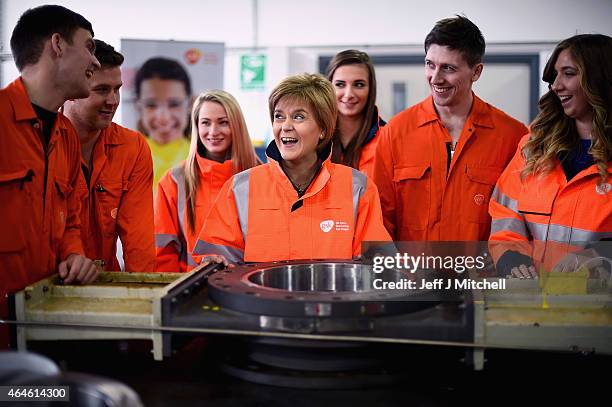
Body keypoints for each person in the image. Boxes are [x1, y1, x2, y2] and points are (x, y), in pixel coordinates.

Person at [193, 74, 391, 264]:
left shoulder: (357, 188)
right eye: (279, 117)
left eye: (298, 117)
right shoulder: (239, 188)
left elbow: (377, 264)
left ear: (323, 129)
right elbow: (217, 259)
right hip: (261, 299)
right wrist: (212, 261)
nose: (285, 126)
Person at [374, 15, 528, 242]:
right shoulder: (396, 132)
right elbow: (380, 220)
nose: (435, 78)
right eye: (430, 64)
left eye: (448, 68)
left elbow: (518, 222)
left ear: (476, 72)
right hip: (412, 275)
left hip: (481, 277)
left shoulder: (513, 137)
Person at [0, 5, 101, 347]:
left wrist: (74, 254)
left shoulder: (66, 136)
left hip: (44, 322)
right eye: (89, 46)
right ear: (57, 44)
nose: (96, 62)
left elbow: (70, 217)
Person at [489, 34, 612, 278]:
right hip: (536, 303)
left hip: (600, 307)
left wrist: (598, 255)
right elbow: (505, 219)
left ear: (599, 79)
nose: (556, 85)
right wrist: (510, 256)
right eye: (555, 75)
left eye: (569, 73)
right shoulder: (532, 149)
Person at [63, 40, 155, 273]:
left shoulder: (132, 148)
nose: (113, 101)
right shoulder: (43, 144)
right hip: (49, 285)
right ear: (72, 89)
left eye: (117, 89)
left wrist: (142, 297)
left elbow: (139, 240)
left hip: (108, 283)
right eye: (102, 90)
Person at [155, 90, 260, 272]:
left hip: (247, 289)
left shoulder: (261, 176)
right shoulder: (174, 181)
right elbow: (162, 252)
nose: (213, 132)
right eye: (205, 123)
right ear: (196, 126)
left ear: (237, 125)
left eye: (223, 122)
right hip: (189, 290)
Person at [134, 57, 193, 191]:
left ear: (189, 104)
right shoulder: (128, 156)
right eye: (151, 105)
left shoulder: (202, 155)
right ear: (138, 106)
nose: (163, 117)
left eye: (174, 104)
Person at [325, 49, 386, 178]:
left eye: (358, 85)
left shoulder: (389, 139)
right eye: (340, 84)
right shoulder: (314, 137)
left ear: (371, 89)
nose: (349, 94)